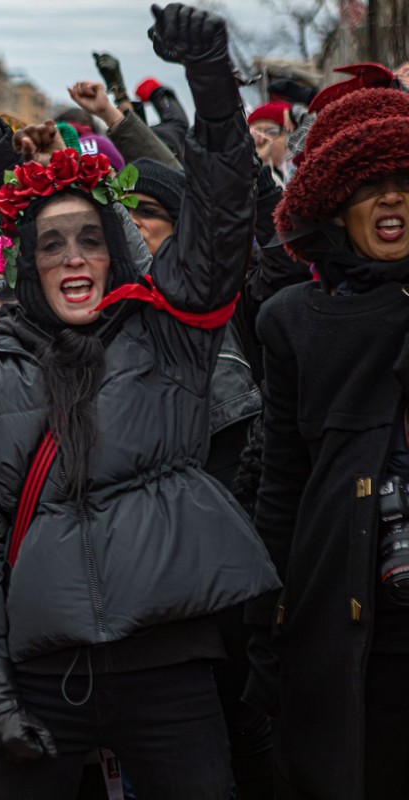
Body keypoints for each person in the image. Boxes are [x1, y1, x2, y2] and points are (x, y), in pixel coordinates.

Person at [0, 6, 279, 798]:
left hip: (172, 674)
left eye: (90, 238)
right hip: (38, 678)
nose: (72, 257)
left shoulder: (169, 331)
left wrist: (213, 91)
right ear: (27, 268)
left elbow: (223, 219)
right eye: (50, 244)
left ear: (117, 248)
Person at [248, 85, 409, 799]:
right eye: (371, 185)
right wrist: (266, 631)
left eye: (406, 183)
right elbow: (282, 483)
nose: (391, 201)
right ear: (336, 203)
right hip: (349, 628)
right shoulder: (294, 321)